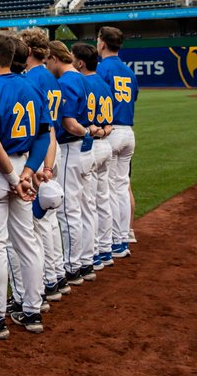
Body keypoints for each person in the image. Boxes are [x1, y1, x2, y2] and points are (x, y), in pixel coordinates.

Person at [0, 33, 51, 337]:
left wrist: (12, 175)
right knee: (26, 241)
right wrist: (29, 171)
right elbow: (45, 134)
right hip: (24, 167)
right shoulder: (32, 88)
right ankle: (32, 310)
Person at [18, 29, 64, 303]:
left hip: (39, 153)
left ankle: (46, 282)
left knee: (35, 224)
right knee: (47, 220)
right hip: (51, 148)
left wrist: (43, 167)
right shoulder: (50, 76)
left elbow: (43, 128)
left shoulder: (34, 78)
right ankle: (54, 275)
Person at [46, 40, 92, 291]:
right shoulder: (81, 78)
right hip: (83, 149)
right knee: (84, 207)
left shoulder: (66, 81)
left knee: (67, 211)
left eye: (47, 61)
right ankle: (84, 259)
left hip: (72, 147)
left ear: (53, 57)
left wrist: (86, 133)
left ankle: (73, 267)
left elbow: (70, 122)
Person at [73, 43, 115, 275]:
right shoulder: (102, 82)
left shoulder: (82, 83)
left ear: (80, 63)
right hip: (105, 144)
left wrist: (95, 131)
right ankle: (105, 249)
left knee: (87, 205)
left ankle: (90, 256)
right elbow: (109, 119)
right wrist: (104, 130)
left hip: (88, 144)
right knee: (103, 198)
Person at [96, 26, 139, 254]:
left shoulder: (103, 69)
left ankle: (113, 240)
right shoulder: (128, 71)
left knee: (108, 189)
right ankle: (123, 236)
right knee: (122, 187)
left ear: (102, 44)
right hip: (128, 131)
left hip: (110, 132)